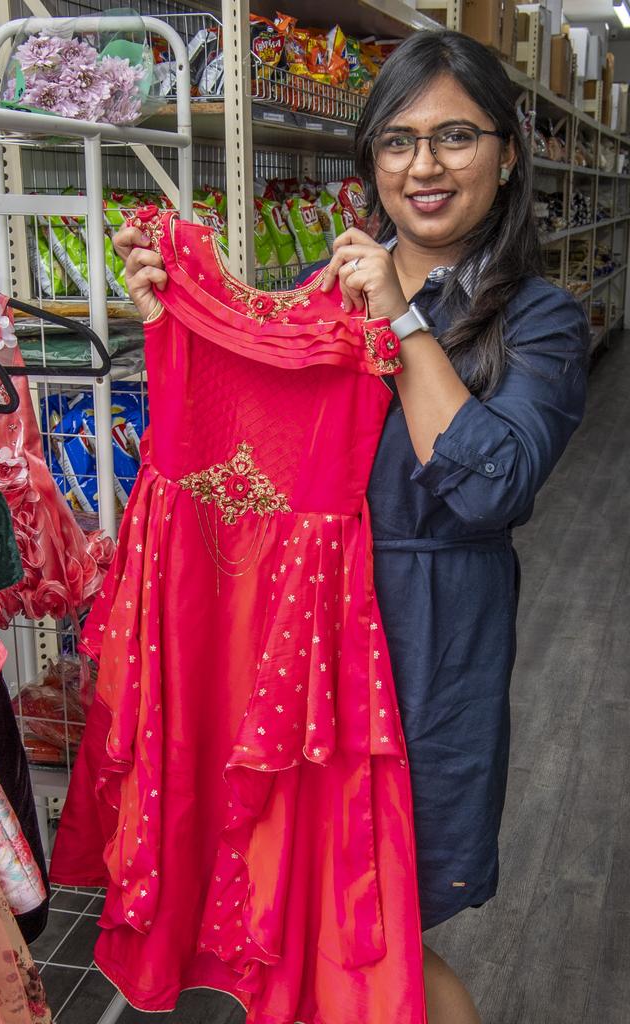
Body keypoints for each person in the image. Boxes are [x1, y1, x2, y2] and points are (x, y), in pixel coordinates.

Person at [112, 29, 588, 1024]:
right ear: (370, 158)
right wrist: (180, 318)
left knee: (381, 932)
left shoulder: (540, 319)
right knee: (303, 919)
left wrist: (404, 322)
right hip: (299, 651)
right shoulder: (324, 299)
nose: (424, 165)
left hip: (424, 650)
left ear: (507, 152)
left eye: (456, 136)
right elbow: (247, 448)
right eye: (398, 140)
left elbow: (492, 487)